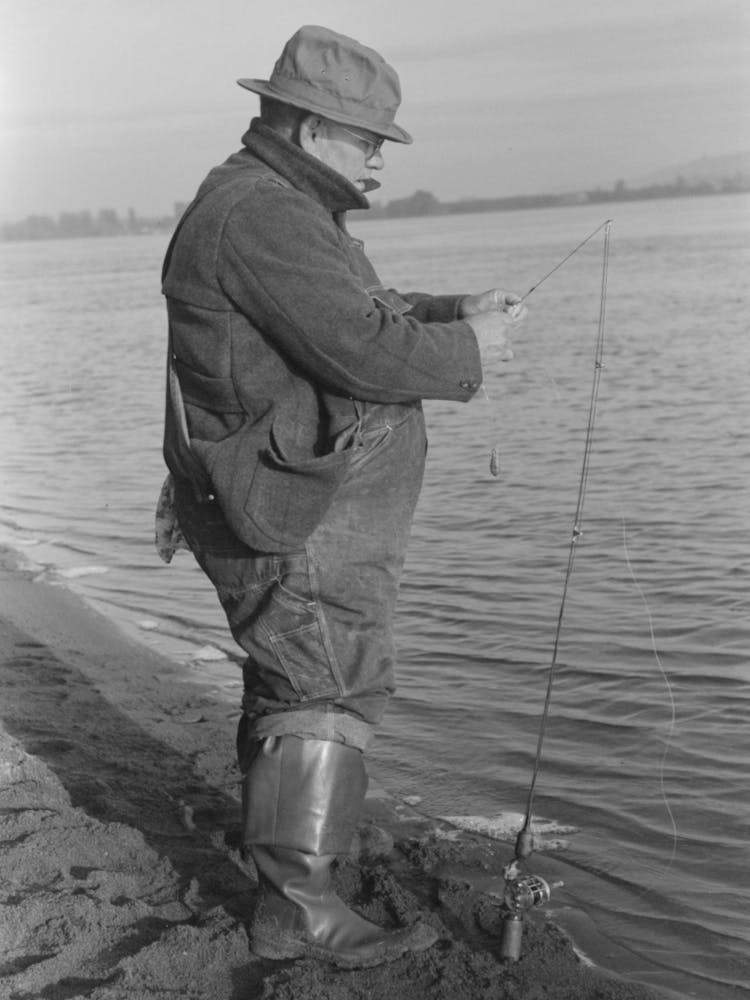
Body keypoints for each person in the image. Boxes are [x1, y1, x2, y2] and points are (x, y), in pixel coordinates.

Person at [158, 24, 526, 969]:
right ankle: (298, 909)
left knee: (300, 677)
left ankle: (291, 871)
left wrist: (450, 315)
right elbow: (358, 351)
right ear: (316, 125)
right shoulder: (265, 214)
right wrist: (472, 353)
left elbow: (346, 313)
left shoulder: (274, 206)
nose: (376, 159)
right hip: (294, 510)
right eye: (369, 139)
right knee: (324, 682)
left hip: (296, 500)